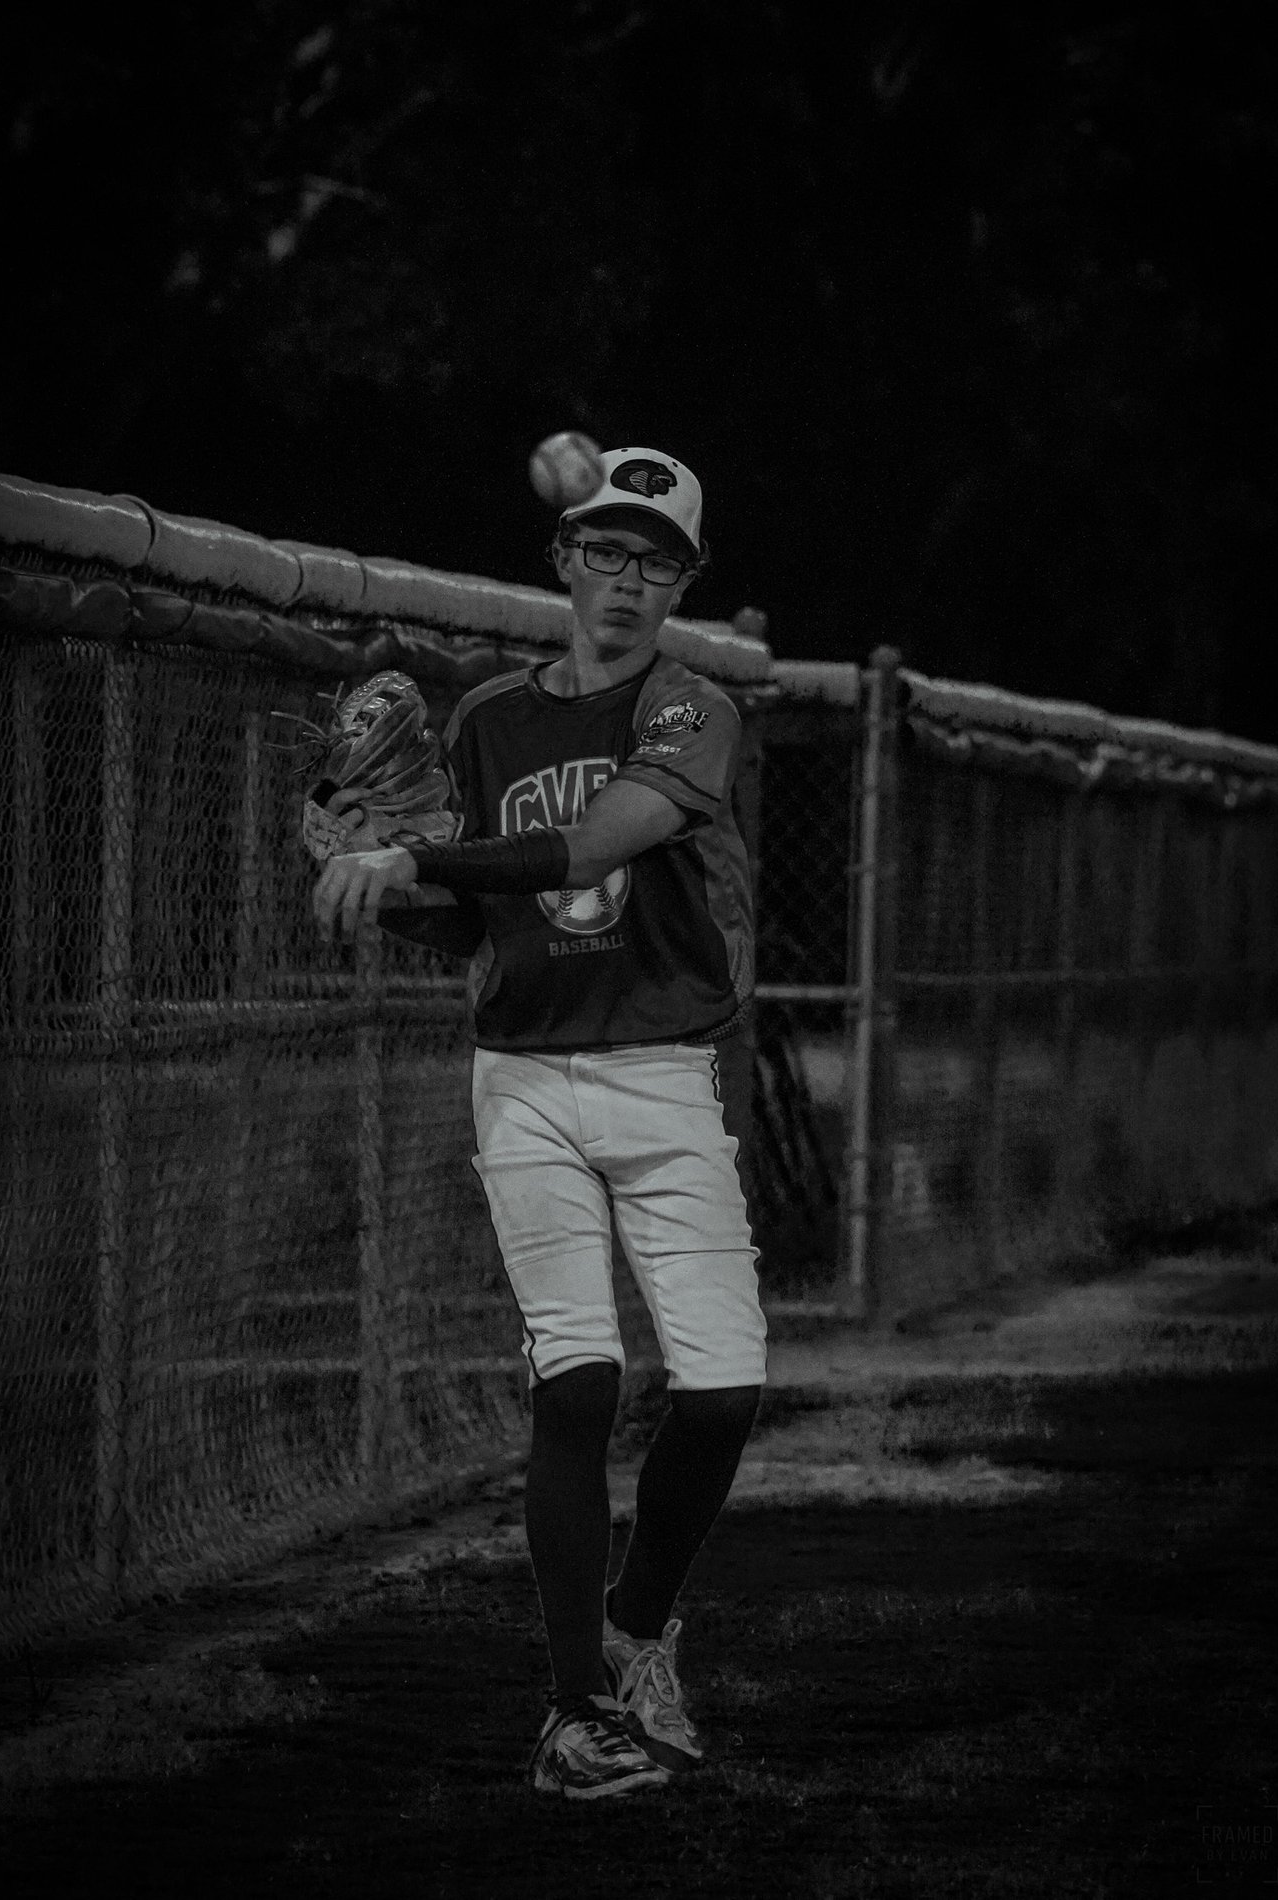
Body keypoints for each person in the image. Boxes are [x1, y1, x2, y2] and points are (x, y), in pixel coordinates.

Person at [314, 447, 766, 1801]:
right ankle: (576, 1716)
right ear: (563, 561)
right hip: (521, 1074)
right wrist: (368, 879)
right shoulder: (487, 720)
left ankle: (635, 1630)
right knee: (574, 1379)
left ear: (683, 584)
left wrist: (414, 852)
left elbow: (587, 846)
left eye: (655, 561)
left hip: (666, 1071)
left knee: (722, 1393)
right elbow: (472, 918)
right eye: (604, 551)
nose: (626, 580)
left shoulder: (690, 709)